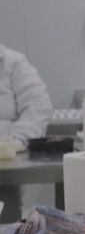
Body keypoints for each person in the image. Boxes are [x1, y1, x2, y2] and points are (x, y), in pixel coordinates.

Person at [0, 44, 53, 222]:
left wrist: (12, 142)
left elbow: (38, 106)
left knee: (5, 230)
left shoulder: (13, 63)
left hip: (4, 173)